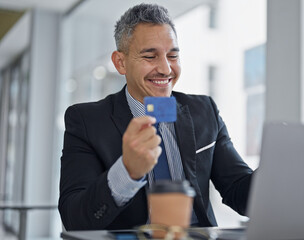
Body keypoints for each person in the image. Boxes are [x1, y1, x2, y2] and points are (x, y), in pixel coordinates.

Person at [59, 3, 253, 230]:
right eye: (150, 56)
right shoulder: (86, 121)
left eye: (172, 55)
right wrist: (127, 172)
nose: (166, 69)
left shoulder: (204, 111)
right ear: (120, 62)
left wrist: (280, 170)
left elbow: (240, 192)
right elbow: (74, 218)